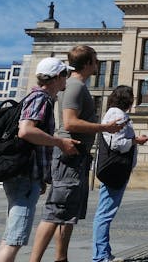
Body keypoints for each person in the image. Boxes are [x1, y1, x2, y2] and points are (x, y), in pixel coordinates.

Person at [29, 46, 124, 262]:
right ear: (89, 62)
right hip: (69, 157)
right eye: (96, 60)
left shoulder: (77, 86)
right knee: (55, 211)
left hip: (76, 158)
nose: (98, 64)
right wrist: (104, 127)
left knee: (67, 213)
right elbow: (70, 122)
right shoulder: (75, 86)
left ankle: (61, 258)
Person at [0, 57, 80, 262]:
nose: (66, 79)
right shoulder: (40, 98)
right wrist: (59, 142)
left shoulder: (38, 97)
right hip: (23, 176)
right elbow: (26, 131)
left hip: (26, 176)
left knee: (10, 237)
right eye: (65, 75)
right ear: (57, 77)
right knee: (15, 238)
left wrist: (40, 177)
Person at [92, 85, 148, 262]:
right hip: (115, 169)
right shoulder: (117, 115)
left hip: (117, 169)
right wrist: (135, 140)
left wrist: (133, 141)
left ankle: (104, 253)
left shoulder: (115, 113)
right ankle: (100, 256)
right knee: (105, 213)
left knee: (106, 212)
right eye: (132, 96)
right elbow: (116, 144)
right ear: (127, 99)